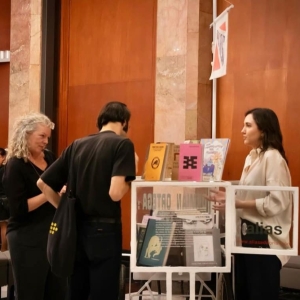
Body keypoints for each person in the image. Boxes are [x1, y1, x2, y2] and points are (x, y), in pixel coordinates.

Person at [37, 101, 137, 300]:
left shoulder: (77, 144)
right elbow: (115, 193)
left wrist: (63, 208)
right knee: (104, 292)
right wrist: (132, 179)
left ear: (101, 121)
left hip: (75, 230)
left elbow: (42, 183)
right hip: (105, 232)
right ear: (124, 122)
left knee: (77, 290)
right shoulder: (123, 144)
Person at [208, 108, 292, 300]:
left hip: (264, 240)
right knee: (244, 293)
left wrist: (236, 202)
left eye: (248, 125)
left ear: (263, 130)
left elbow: (278, 202)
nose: (242, 130)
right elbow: (249, 196)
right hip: (244, 237)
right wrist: (230, 201)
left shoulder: (273, 158)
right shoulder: (252, 157)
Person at [2, 113, 67, 300]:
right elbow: (19, 208)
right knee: (31, 292)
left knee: (57, 290)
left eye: (48, 137)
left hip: (51, 234)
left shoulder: (50, 157)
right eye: (42, 136)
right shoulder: (15, 164)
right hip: (25, 237)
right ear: (26, 134)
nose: (46, 141)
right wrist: (48, 193)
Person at [0, 147, 8, 251]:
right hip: (3, 199)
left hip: (2, 200)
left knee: (4, 225)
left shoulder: (4, 170)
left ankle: (4, 250)